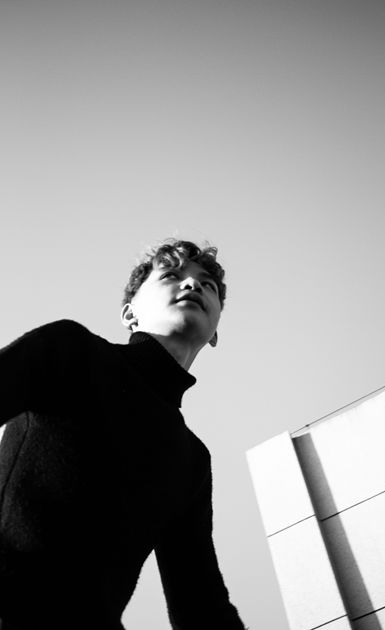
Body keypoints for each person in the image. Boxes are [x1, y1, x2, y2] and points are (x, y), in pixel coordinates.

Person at [0, 239, 247, 630]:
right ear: (130, 314)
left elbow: (202, 607)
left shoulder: (192, 460)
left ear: (215, 332)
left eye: (208, 285)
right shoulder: (70, 350)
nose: (192, 285)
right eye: (171, 275)